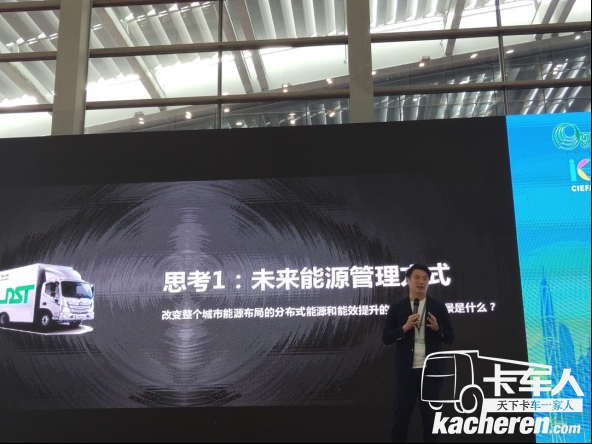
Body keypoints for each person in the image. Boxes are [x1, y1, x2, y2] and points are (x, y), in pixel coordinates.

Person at [382, 264, 454, 443]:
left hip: (431, 372)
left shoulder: (438, 306)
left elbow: (450, 337)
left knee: (432, 423)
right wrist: (404, 328)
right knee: (399, 422)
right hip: (406, 373)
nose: (421, 282)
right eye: (417, 277)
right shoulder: (397, 307)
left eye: (425, 278)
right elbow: (386, 337)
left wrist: (438, 329)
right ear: (407, 280)